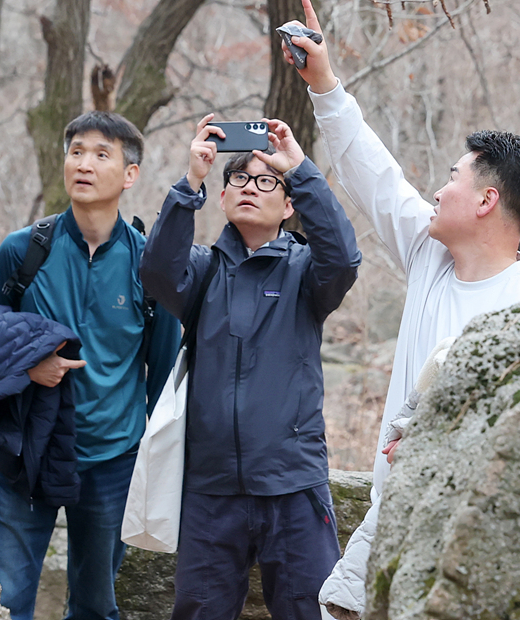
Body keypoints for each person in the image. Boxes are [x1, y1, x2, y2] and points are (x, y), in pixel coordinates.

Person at [284, 0, 520, 620]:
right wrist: (323, 81)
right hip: (388, 516)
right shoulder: (432, 259)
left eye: (452, 178)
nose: (436, 188)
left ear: (487, 200)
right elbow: (375, 178)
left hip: (459, 533)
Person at [141, 115, 361, 620]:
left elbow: (345, 260)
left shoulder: (306, 271)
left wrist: (300, 169)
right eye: (237, 179)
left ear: (289, 206)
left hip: (293, 482)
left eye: (267, 182)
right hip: (211, 487)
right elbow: (156, 271)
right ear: (221, 198)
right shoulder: (202, 270)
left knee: (310, 610)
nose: (249, 188)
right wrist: (191, 180)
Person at [0, 112, 182, 620]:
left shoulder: (148, 264)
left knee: (95, 606)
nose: (84, 164)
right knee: (2, 602)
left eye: (101, 154)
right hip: (24, 455)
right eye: (76, 152)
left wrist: (157, 469)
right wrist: (27, 366)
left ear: (130, 175)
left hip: (112, 461)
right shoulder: (23, 251)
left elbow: (164, 379)